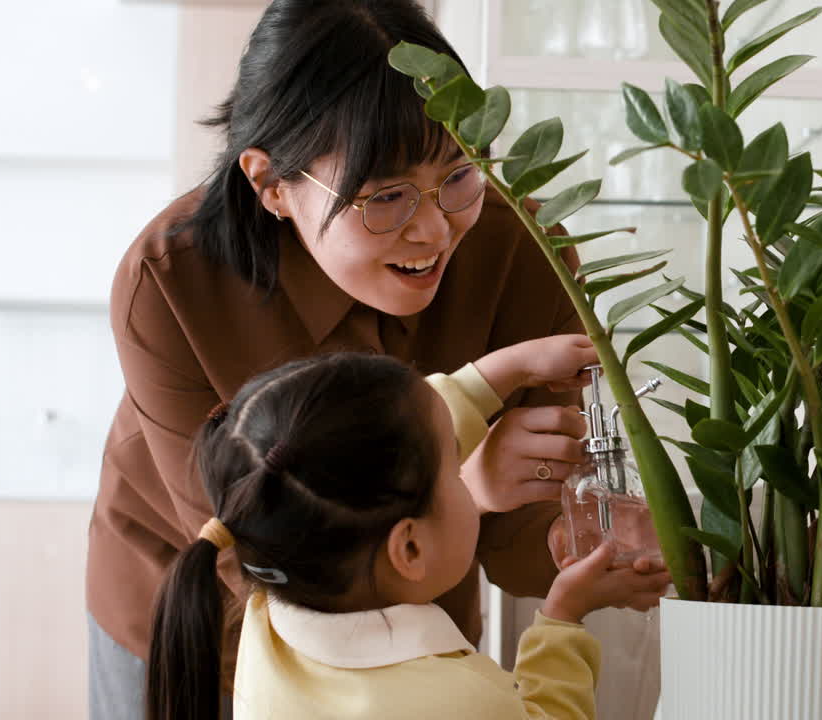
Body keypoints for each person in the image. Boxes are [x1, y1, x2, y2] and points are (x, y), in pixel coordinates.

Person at [87, 1, 596, 716]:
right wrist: (462, 487)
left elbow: (523, 552)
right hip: (195, 624)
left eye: (458, 173)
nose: (433, 228)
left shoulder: (523, 254)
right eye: (385, 195)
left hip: (417, 645)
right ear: (270, 185)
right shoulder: (170, 282)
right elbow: (261, 560)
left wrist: (603, 545)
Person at [147, 348, 670, 720]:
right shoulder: (461, 704)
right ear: (411, 547)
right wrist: (563, 620)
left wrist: (501, 373)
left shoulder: (277, 614)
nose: (470, 474)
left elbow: (384, 438)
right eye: (455, 468)